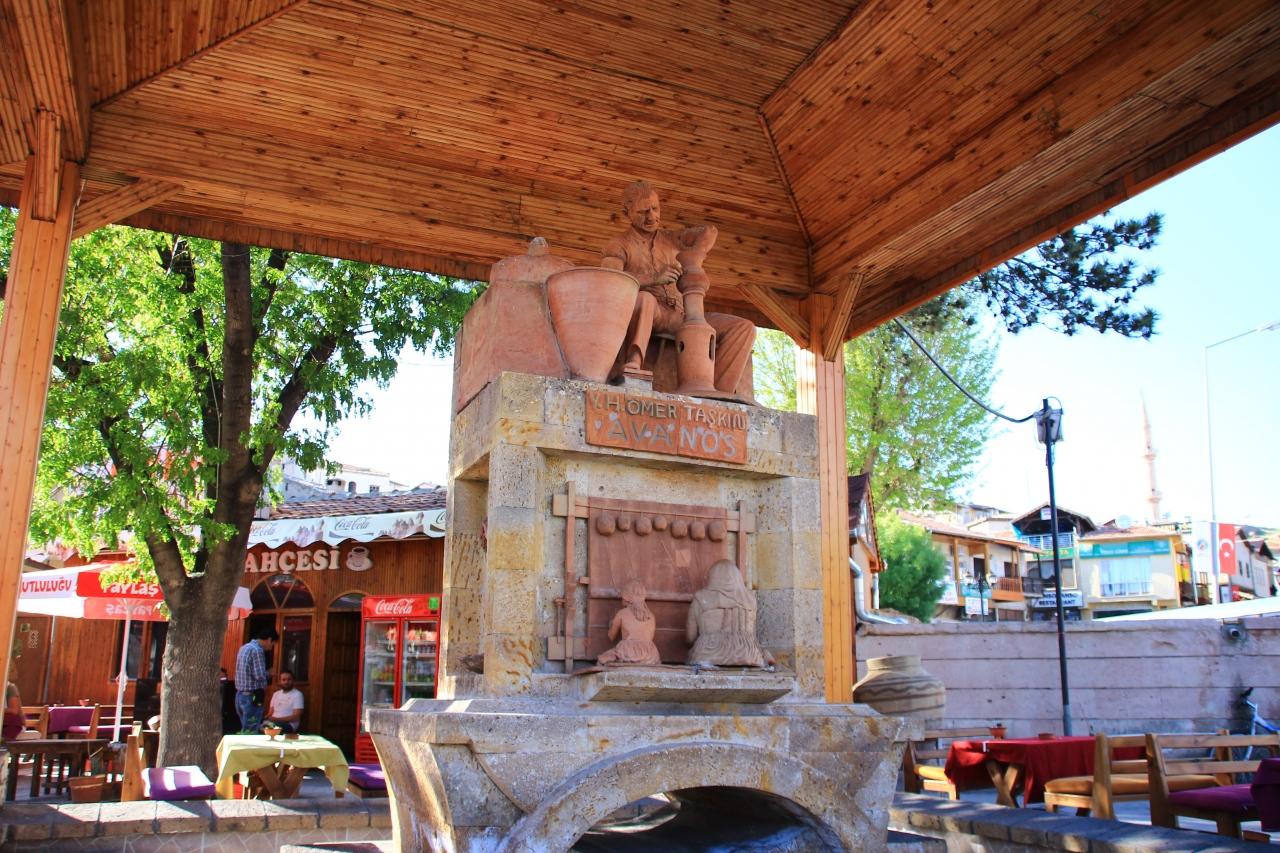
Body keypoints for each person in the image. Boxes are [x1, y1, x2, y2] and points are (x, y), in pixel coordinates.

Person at [601, 180, 755, 396]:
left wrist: (695, 256)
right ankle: (634, 365)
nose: (651, 217)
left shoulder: (672, 239)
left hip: (683, 316)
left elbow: (709, 232)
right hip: (652, 312)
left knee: (743, 327)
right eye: (643, 212)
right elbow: (609, 281)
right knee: (645, 298)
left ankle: (720, 391)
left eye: (655, 208)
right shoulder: (619, 244)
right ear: (627, 213)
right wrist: (653, 278)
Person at [686, 559, 774, 668]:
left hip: (707, 656)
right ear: (737, 578)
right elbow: (752, 634)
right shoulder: (750, 600)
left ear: (712, 577)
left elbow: (690, 638)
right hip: (749, 656)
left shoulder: (700, 598)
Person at [597, 579, 661, 666]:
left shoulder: (622, 613)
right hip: (650, 655)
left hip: (628, 652)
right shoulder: (651, 616)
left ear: (626, 598)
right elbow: (649, 638)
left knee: (602, 660)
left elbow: (611, 636)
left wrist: (612, 624)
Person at [234, 626, 277, 732]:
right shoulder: (257, 650)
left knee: (246, 729)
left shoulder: (244, 647)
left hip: (240, 695)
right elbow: (259, 675)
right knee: (251, 731)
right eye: (272, 644)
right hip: (252, 696)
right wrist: (270, 673)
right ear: (269, 639)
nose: (271, 648)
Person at [265, 669, 304, 733]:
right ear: (280, 681)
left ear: (293, 681)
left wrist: (277, 719)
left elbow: (296, 717)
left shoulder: (297, 694)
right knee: (256, 725)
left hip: (288, 724)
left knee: (268, 729)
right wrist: (264, 718)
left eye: (289, 679)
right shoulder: (276, 694)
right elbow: (270, 713)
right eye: (283, 680)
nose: (286, 682)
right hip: (272, 723)